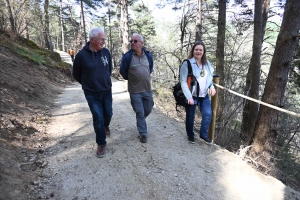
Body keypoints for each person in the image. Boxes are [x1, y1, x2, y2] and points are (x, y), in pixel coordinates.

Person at [73, 28, 112, 158]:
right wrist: (87, 85)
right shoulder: (81, 56)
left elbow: (109, 69)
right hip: (91, 93)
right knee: (98, 117)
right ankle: (101, 143)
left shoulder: (106, 52)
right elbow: (76, 74)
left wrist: (105, 81)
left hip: (106, 90)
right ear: (92, 40)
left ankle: (106, 126)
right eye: (102, 39)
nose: (104, 42)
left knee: (108, 113)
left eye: (104, 39)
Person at [180, 40, 216, 145]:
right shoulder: (187, 63)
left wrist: (212, 86)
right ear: (193, 50)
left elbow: (209, 78)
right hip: (192, 95)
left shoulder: (207, 64)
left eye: (200, 50)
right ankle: (190, 135)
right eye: (196, 49)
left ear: (204, 51)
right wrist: (188, 96)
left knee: (208, 114)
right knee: (190, 116)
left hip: (203, 95)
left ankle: (203, 135)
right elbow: (183, 81)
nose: (198, 52)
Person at [120, 33, 154, 143]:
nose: (132, 43)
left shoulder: (148, 56)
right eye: (132, 41)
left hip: (147, 89)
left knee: (148, 109)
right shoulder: (127, 57)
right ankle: (143, 133)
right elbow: (123, 72)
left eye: (135, 41)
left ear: (142, 43)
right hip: (135, 91)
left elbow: (150, 68)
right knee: (139, 112)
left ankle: (141, 120)